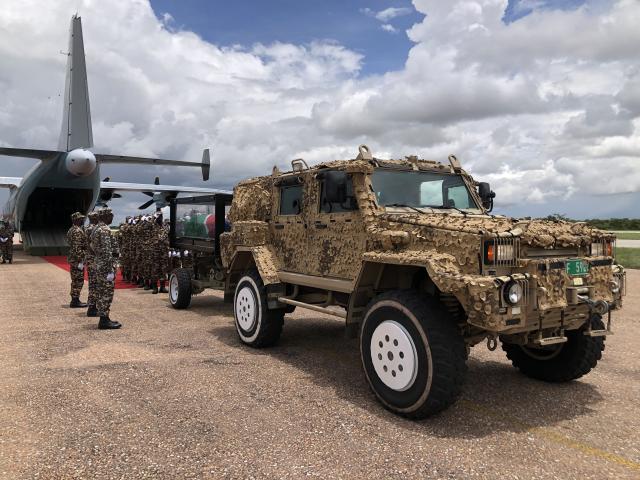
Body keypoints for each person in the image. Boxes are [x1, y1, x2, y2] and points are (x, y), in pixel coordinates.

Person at [90, 208, 121, 329]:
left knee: (101, 291)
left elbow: (92, 247)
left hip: (99, 263)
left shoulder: (96, 228)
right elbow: (108, 251)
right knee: (106, 292)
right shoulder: (104, 229)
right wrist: (109, 269)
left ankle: (104, 318)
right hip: (106, 266)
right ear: (105, 216)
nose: (112, 217)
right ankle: (104, 320)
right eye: (110, 215)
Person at [66, 212, 88, 308]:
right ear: (75, 220)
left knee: (75, 280)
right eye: (80, 219)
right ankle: (75, 300)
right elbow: (77, 248)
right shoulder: (77, 231)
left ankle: (75, 299)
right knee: (78, 280)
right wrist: (82, 259)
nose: (82, 220)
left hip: (74, 259)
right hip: (77, 260)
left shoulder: (71, 230)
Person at [150, 212, 170, 294]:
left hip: (164, 250)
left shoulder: (165, 226)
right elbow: (149, 224)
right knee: (155, 268)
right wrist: (153, 217)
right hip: (155, 250)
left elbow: (168, 236)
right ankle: (155, 287)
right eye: (158, 217)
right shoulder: (153, 225)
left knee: (163, 268)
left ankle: (162, 287)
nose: (160, 218)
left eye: (161, 216)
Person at [84, 211, 100, 317]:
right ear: (94, 218)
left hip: (90, 259)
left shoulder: (88, 228)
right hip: (93, 259)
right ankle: (92, 308)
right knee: (94, 284)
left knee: (93, 284)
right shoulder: (92, 229)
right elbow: (93, 246)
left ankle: (92, 306)